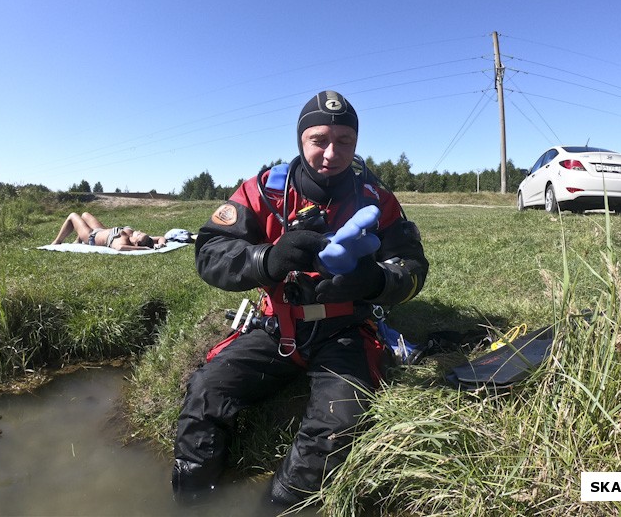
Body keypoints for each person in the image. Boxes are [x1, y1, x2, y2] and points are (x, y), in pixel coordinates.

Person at [172, 90, 429, 505]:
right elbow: (209, 251)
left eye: (344, 140)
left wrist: (373, 281)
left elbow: (413, 269)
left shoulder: (376, 199)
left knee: (337, 425)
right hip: (277, 328)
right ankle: (188, 501)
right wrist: (265, 259)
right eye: (319, 139)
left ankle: (275, 507)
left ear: (356, 142)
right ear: (301, 139)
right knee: (205, 392)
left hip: (346, 330)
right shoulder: (264, 191)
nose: (331, 152)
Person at [51, 211, 167, 250]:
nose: (140, 231)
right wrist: (161, 244)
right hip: (101, 230)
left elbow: (120, 248)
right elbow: (161, 237)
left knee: (72, 216)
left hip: (91, 236)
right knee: (85, 214)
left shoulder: (124, 240)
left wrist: (143, 249)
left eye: (140, 234)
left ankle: (57, 242)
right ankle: (77, 240)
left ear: (136, 242)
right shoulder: (139, 238)